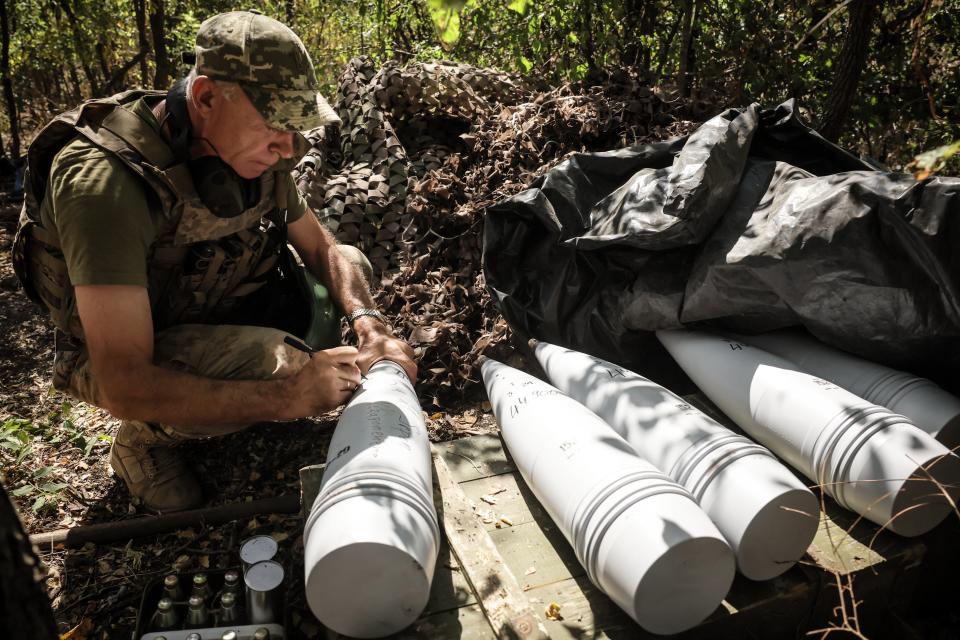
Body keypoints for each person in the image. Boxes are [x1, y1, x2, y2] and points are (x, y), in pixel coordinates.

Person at [11, 10, 416, 512]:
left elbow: (322, 248)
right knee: (281, 367)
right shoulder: (106, 182)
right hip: (121, 348)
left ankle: (234, 373)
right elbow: (123, 377)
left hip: (216, 298)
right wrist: (288, 396)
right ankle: (143, 442)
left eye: (295, 127)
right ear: (204, 97)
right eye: (274, 124)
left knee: (353, 265)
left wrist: (369, 324)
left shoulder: (258, 150)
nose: (288, 146)